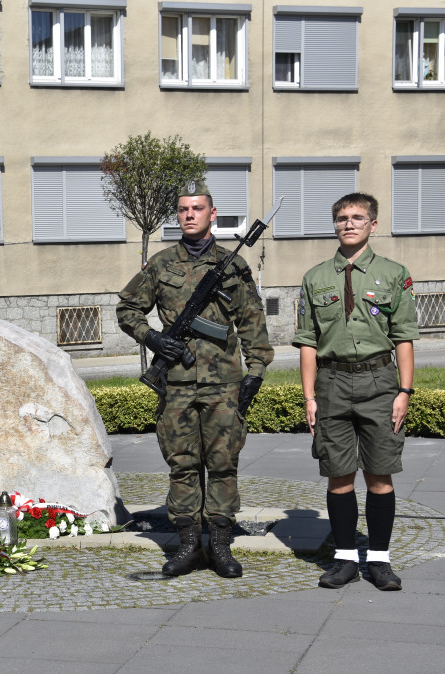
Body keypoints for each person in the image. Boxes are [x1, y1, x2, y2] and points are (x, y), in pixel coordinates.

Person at [116, 180, 273, 579]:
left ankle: (220, 546)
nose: (189, 215)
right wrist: (153, 338)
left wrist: (255, 371)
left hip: (224, 383)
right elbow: (127, 309)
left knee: (222, 463)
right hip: (178, 382)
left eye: (197, 208)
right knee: (182, 464)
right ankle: (188, 545)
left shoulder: (233, 265)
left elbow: (252, 321)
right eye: (183, 209)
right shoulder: (162, 263)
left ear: (212, 214)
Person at [292, 193, 418, 591]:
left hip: (380, 384)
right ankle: (345, 559)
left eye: (358, 217)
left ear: (373, 225)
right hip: (331, 386)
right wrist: (309, 397)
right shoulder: (315, 278)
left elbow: (404, 338)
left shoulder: (394, 274)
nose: (349, 223)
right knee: (338, 475)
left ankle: (379, 560)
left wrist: (405, 391)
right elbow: (308, 341)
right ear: (335, 224)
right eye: (342, 218)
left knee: (380, 474)